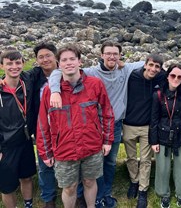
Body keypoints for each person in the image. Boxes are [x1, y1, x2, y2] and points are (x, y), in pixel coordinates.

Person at [49, 41, 143, 208]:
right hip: (92, 124)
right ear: (101, 55)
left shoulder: (125, 69)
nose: (111, 56)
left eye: (115, 53)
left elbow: (149, 63)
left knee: (108, 163)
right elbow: (59, 71)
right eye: (108, 53)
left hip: (114, 123)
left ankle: (103, 194)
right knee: (85, 162)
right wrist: (55, 90)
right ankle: (82, 197)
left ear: (120, 55)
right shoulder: (92, 72)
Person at [36, 44, 115, 208]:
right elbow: (43, 124)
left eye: (72, 58)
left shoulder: (95, 85)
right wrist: (45, 151)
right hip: (64, 149)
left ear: (80, 61)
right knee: (69, 188)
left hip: (92, 146)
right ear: (59, 64)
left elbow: (107, 113)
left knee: (89, 181)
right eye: (64, 60)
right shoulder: (50, 92)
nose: (68, 63)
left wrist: (107, 140)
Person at [123, 54, 166, 208]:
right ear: (145, 64)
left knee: (146, 160)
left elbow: (175, 76)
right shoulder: (132, 76)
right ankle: (134, 181)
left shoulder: (161, 78)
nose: (153, 69)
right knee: (131, 158)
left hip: (148, 126)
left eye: (157, 67)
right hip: (128, 124)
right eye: (151, 65)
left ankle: (143, 189)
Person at [149, 63, 181, 208]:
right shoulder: (158, 95)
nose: (176, 78)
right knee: (162, 168)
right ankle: (163, 194)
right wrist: (153, 141)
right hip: (162, 135)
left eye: (179, 76)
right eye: (173, 75)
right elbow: (153, 120)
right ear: (167, 77)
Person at [0, 49, 35, 208]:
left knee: (26, 177)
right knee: (7, 187)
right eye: (9, 63)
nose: (14, 66)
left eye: (18, 63)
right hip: (6, 146)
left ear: (23, 63)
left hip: (26, 140)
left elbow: (52, 68)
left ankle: (28, 205)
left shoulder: (28, 80)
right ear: (2, 66)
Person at [32, 42, 59, 208]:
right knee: (44, 164)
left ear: (55, 56)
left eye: (48, 55)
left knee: (72, 162)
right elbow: (13, 77)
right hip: (43, 126)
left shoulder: (67, 73)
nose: (45, 59)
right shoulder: (33, 76)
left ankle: (77, 194)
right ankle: (49, 198)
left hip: (65, 125)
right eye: (40, 57)